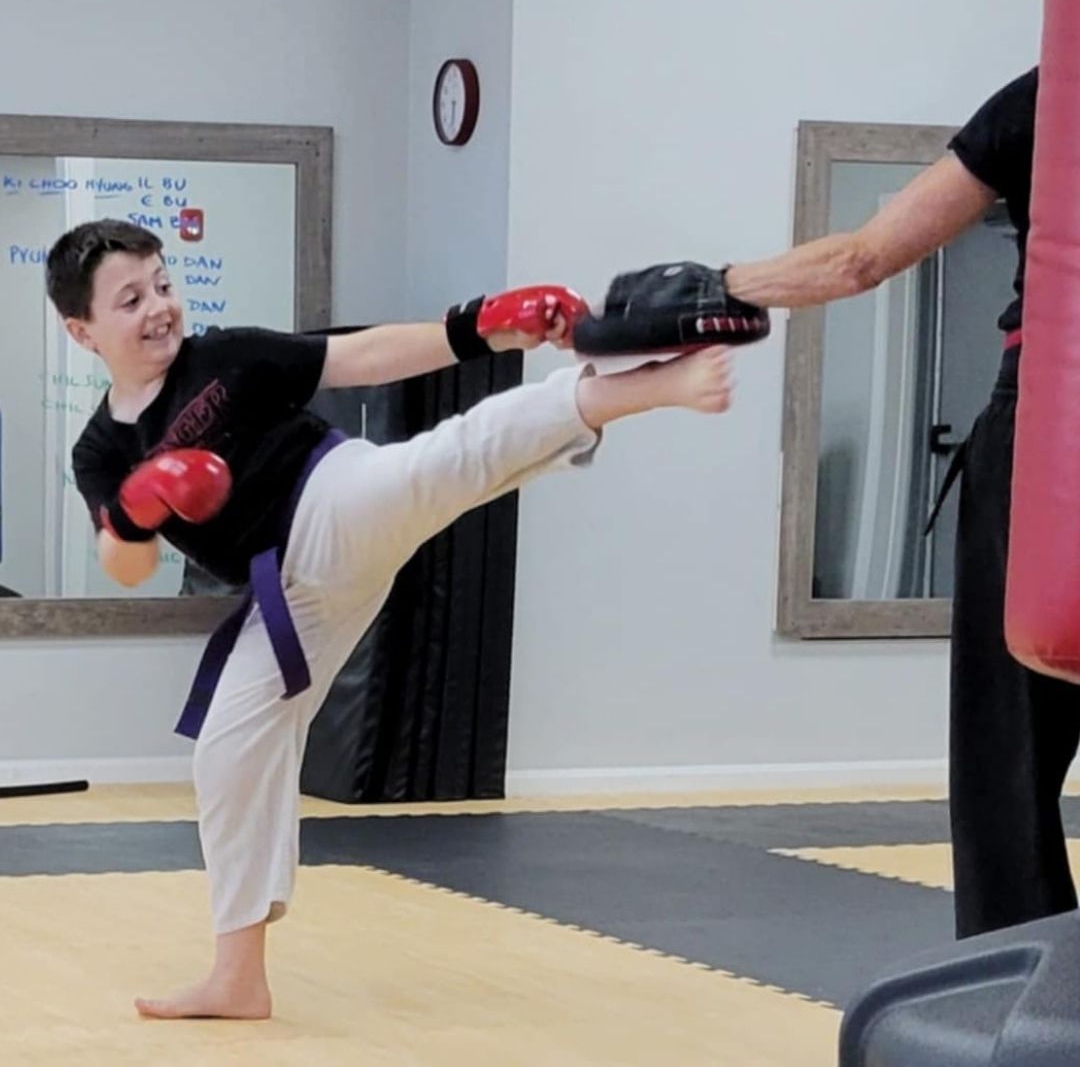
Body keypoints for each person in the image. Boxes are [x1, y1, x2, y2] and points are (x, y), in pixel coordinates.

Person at [45, 218, 736, 1019]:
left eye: (163, 284)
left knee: (452, 458)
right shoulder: (100, 450)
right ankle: (239, 976)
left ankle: (647, 384)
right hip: (290, 595)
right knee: (229, 753)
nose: (159, 307)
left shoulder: (225, 357)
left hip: (335, 499)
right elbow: (123, 565)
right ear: (82, 329)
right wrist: (137, 509)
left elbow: (360, 356)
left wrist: (475, 326)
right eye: (131, 299)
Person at [696, 67, 1067, 941]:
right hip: (1041, 432)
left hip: (1051, 441)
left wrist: (718, 285)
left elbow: (863, 257)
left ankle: (1021, 976)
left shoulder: (1049, 95)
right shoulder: (1041, 99)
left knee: (1005, 756)